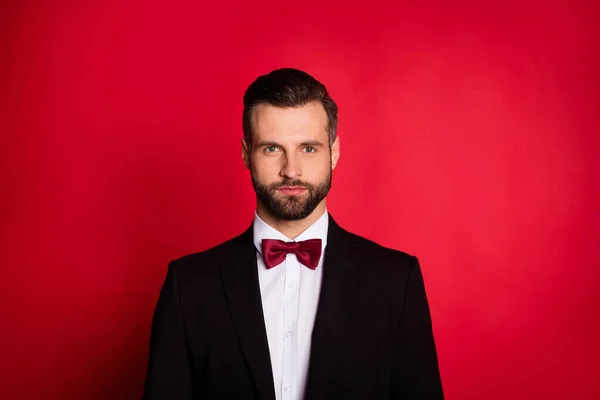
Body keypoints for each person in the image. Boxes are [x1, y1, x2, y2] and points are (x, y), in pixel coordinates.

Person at [143, 68, 443, 400]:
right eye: (272, 149)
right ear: (246, 154)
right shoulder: (188, 286)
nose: (292, 170)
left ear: (335, 151)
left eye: (309, 149)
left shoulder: (396, 281)